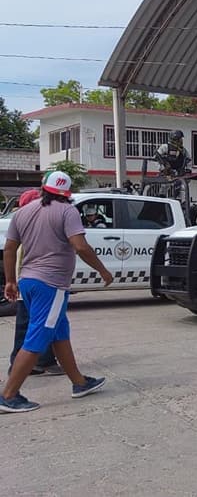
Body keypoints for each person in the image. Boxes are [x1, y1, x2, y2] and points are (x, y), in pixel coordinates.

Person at [0, 171, 114, 413]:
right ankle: (8, 395)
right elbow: (80, 246)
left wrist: (10, 280)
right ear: (67, 192)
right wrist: (103, 270)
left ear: (44, 187)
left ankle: (79, 383)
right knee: (38, 337)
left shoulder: (24, 211)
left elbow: (9, 248)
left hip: (28, 282)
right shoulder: (67, 211)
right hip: (50, 285)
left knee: (59, 333)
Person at [8, 188, 62, 377]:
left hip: (28, 285)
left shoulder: (23, 223)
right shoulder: (30, 227)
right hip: (35, 284)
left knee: (34, 324)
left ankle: (35, 361)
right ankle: (35, 362)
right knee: (39, 325)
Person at [154, 130, 191, 201]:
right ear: (175, 139)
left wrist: (188, 171)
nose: (181, 141)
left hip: (178, 173)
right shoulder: (165, 147)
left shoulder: (183, 150)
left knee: (182, 187)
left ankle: (180, 202)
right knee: (164, 186)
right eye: (180, 139)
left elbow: (188, 160)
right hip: (167, 173)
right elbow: (157, 158)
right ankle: (162, 199)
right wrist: (162, 168)